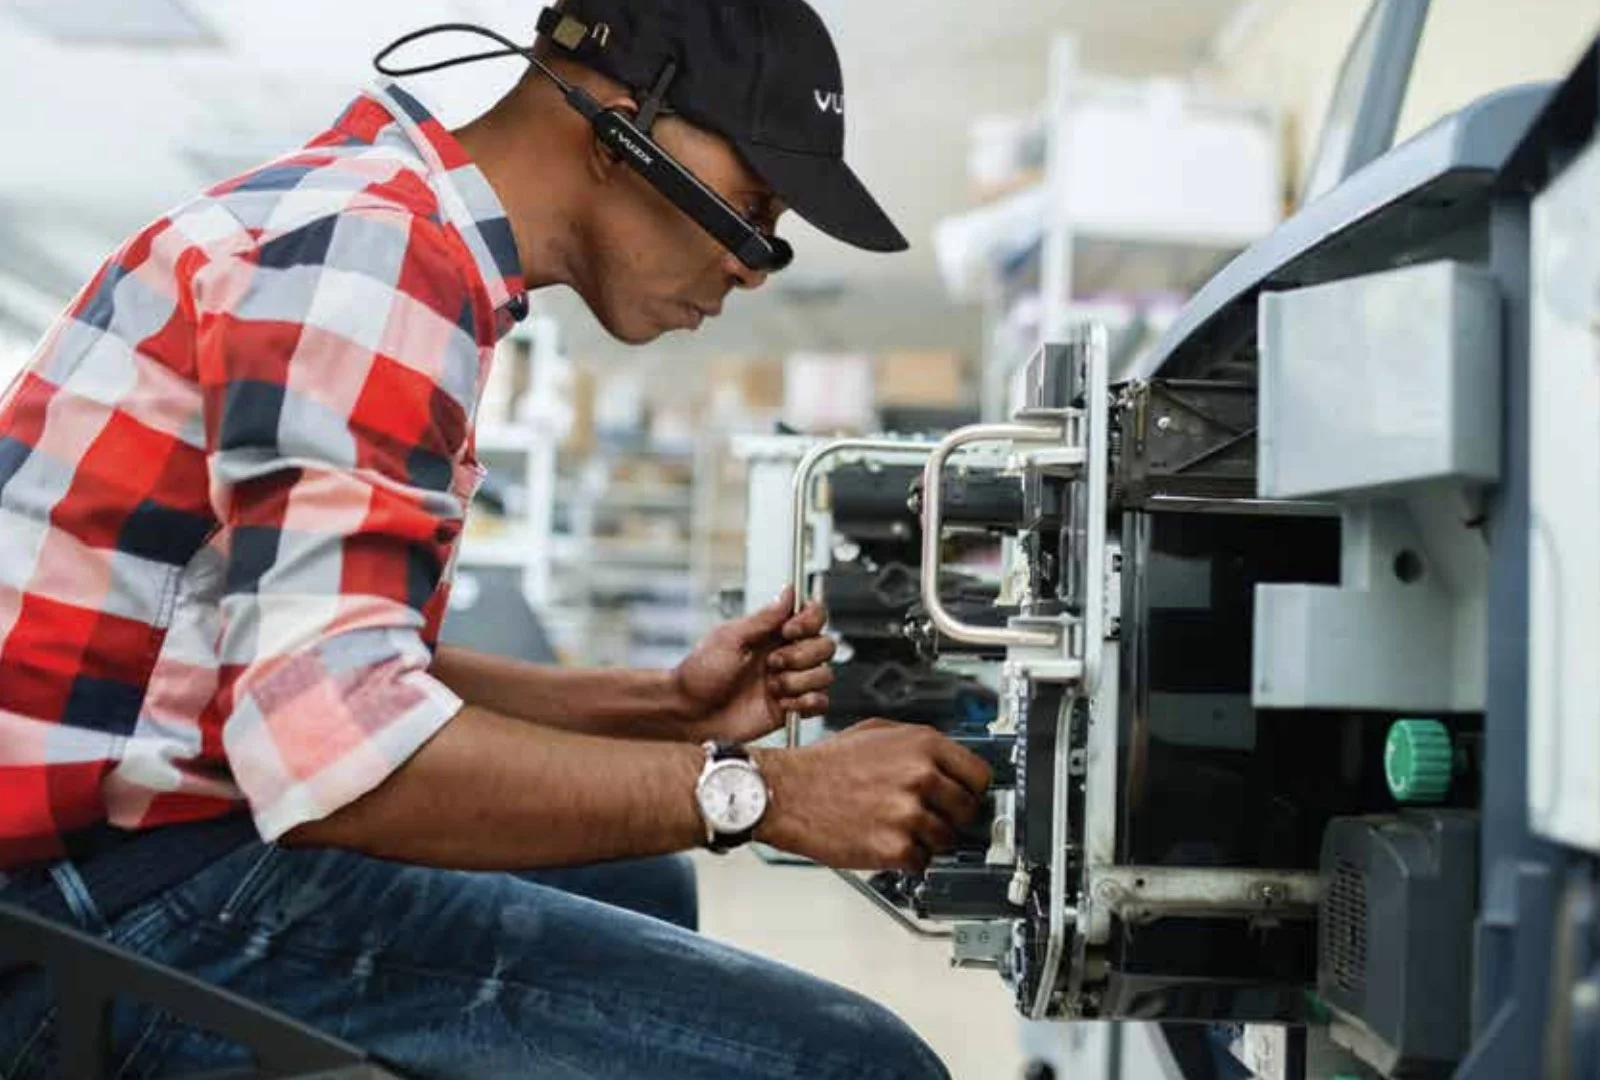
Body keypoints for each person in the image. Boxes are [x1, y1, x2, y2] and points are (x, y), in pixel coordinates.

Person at [0, 0, 994, 1077]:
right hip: (82, 916)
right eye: (752, 208)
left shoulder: (379, 224)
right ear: (618, 127)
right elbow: (338, 760)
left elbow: (299, 672)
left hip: (119, 850)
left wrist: (657, 709)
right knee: (853, 1065)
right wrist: (765, 795)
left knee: (646, 880)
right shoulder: (370, 258)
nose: (755, 263)